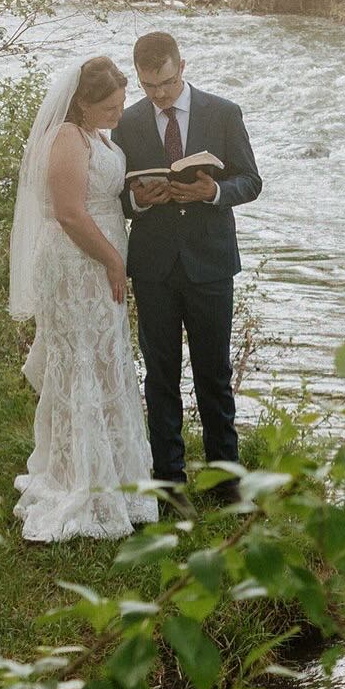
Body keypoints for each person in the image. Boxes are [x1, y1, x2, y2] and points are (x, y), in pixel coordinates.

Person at [8, 55, 157, 541]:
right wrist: (114, 260)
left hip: (99, 256)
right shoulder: (67, 138)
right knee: (79, 364)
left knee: (105, 357)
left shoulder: (95, 135)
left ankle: (112, 474)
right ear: (83, 104)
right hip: (76, 261)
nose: (120, 112)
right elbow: (70, 214)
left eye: (121, 103)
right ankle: (76, 478)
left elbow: (104, 197)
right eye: (110, 106)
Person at [112, 31, 262, 503]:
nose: (159, 95)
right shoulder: (128, 122)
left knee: (213, 376)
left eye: (167, 83)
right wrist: (136, 200)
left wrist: (213, 193)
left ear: (183, 66)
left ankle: (225, 484)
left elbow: (251, 181)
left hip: (211, 263)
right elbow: (113, 193)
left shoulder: (224, 112)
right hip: (154, 265)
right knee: (159, 377)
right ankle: (169, 484)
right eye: (149, 86)